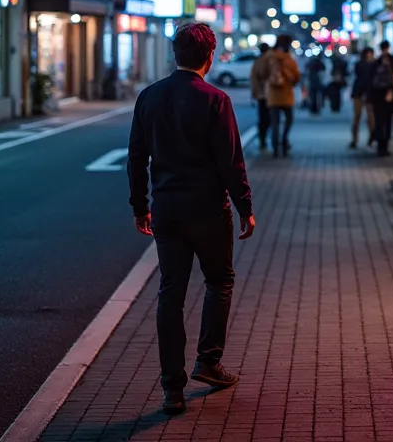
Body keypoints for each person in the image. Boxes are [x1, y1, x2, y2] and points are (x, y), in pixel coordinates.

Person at [127, 23, 254, 416]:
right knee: (219, 281)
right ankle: (209, 361)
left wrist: (140, 207)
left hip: (167, 211)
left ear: (174, 54)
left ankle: (172, 389)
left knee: (171, 293)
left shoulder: (149, 97)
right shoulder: (215, 100)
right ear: (210, 57)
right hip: (208, 211)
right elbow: (230, 161)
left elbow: (136, 159)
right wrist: (244, 206)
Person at [254, 34, 301, 157]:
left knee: (275, 122)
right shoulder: (289, 59)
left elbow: (261, 73)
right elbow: (296, 77)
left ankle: (275, 147)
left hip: (272, 94)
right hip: (287, 94)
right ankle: (284, 141)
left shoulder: (269, 57)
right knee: (289, 120)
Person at [368, 40, 393, 157]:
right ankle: (385, 145)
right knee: (388, 122)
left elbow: (370, 81)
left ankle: (380, 146)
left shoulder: (376, 63)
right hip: (389, 96)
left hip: (377, 97)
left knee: (379, 121)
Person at [350, 46, 375, 149]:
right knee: (369, 117)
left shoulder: (358, 64)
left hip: (359, 92)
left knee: (358, 117)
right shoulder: (372, 65)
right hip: (367, 93)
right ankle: (371, 138)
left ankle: (355, 140)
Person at [250, 42, 271, 150]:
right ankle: (267, 140)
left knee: (263, 119)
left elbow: (253, 79)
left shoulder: (258, 62)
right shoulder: (272, 60)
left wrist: (254, 94)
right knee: (270, 119)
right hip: (271, 95)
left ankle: (263, 140)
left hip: (262, 95)